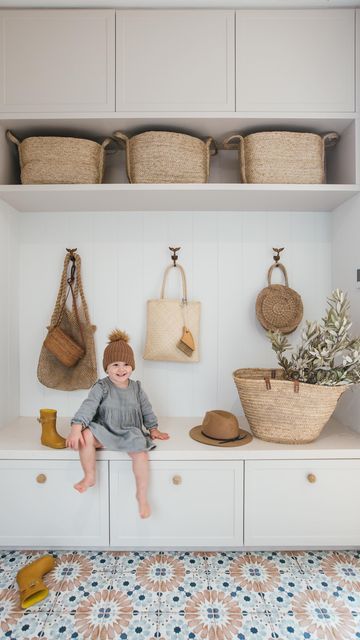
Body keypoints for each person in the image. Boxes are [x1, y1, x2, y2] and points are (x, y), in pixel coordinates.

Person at [66, 329, 169, 518]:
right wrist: (75, 429)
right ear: (106, 368)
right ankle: (89, 475)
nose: (121, 369)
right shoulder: (101, 387)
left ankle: (141, 495)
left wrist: (153, 429)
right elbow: (87, 407)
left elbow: (147, 409)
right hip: (105, 428)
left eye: (126, 364)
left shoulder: (136, 388)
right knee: (86, 435)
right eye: (115, 364)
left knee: (141, 452)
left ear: (132, 366)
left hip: (130, 430)